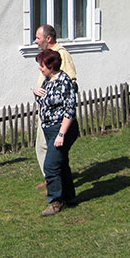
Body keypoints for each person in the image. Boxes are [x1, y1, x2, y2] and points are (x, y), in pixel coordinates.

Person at [35, 48, 79, 215]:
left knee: (51, 166)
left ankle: (55, 201)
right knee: (62, 163)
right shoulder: (48, 80)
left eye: (42, 65)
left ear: (51, 66)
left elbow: (69, 111)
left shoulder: (64, 82)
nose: (40, 68)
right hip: (49, 128)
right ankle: (70, 198)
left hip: (61, 129)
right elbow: (45, 100)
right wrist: (35, 92)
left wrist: (61, 134)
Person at [31, 25, 76, 191]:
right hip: (46, 113)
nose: (35, 41)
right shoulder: (45, 57)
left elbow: (71, 83)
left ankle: (53, 184)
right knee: (42, 147)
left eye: (38, 38)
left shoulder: (61, 54)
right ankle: (52, 180)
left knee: (52, 152)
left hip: (57, 118)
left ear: (48, 38)